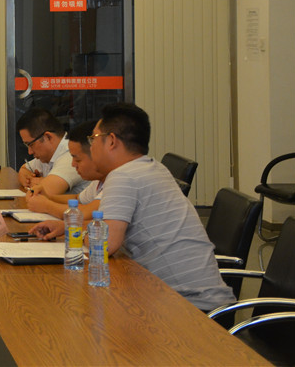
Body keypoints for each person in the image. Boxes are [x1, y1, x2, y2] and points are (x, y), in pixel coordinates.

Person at [32, 102, 235, 311]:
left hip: (189, 306)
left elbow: (105, 245)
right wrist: (68, 227)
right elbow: (108, 228)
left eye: (93, 139)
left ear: (111, 141)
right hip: (177, 295)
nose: (90, 147)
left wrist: (75, 231)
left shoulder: (124, 176)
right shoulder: (151, 167)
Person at [25, 120, 104, 220]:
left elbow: (86, 213)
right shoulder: (99, 181)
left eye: (78, 160)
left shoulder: (116, 179)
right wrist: (46, 196)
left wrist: (47, 206)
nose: (73, 164)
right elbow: (77, 199)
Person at [15, 107, 88, 196]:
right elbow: (24, 169)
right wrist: (30, 179)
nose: (29, 152)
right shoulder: (47, 155)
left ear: (48, 137)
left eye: (31, 144)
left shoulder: (71, 154)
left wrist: (42, 183)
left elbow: (44, 192)